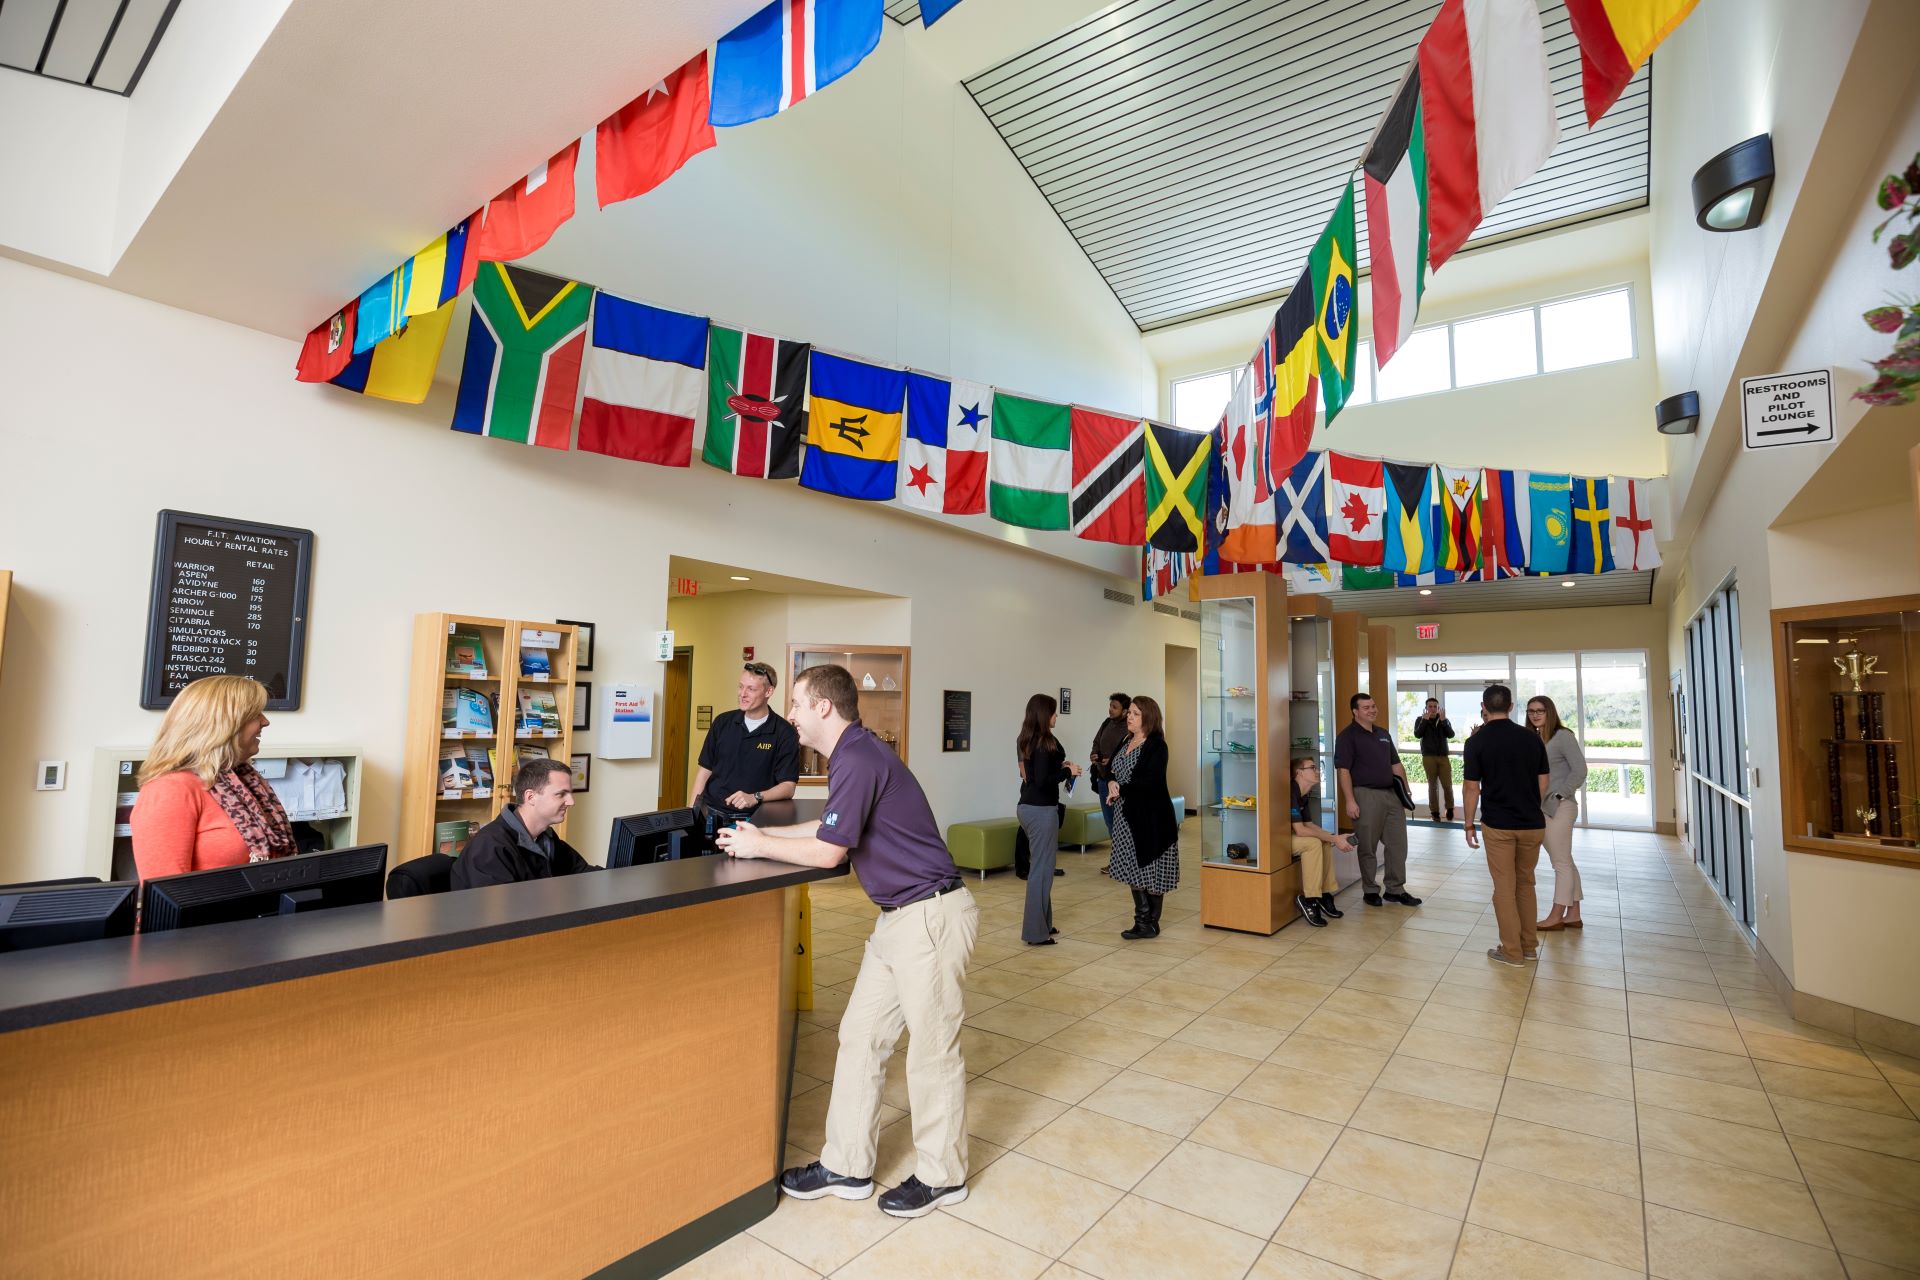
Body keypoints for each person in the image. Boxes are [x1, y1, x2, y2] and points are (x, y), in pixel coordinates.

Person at [717, 664, 976, 1219]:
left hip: (928, 919)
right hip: (898, 921)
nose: (790, 715)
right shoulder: (852, 756)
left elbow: (831, 852)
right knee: (860, 1037)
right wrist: (760, 835)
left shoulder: (856, 757)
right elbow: (830, 827)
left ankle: (943, 1175)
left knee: (932, 1053)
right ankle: (847, 1166)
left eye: (797, 704)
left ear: (824, 708)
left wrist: (760, 850)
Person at [131, 675, 297, 879]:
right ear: (224, 724)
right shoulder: (170, 789)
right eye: (255, 714)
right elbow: (165, 895)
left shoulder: (244, 780)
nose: (265, 721)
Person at [1461, 684, 1550, 967]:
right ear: (1512, 707)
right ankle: (1528, 946)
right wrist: (1532, 805)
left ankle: (1511, 952)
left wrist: (1468, 824)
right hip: (1532, 823)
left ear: (1484, 707)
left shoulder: (1476, 742)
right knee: (1526, 883)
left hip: (1498, 824)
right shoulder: (1531, 738)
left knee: (1504, 887)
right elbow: (1543, 781)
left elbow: (1472, 787)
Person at [689, 660, 800, 842]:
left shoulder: (784, 732)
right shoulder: (722, 723)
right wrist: (691, 814)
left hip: (754, 822)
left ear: (768, 691)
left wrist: (755, 797)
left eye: (751, 689)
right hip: (711, 816)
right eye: (740, 687)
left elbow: (788, 787)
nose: (742, 694)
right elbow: (704, 772)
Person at [450, 758, 597, 889]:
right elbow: (500, 912)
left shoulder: (546, 838)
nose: (571, 802)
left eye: (570, 794)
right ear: (531, 797)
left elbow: (584, 874)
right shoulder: (489, 847)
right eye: (560, 794)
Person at [1334, 693, 1422, 907]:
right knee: (1368, 846)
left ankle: (1395, 889)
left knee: (1398, 845)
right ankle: (1370, 889)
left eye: (1373, 706)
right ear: (1355, 711)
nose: (1372, 710)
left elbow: (1396, 765)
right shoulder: (1347, 736)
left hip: (1391, 795)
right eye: (1366, 708)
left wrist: (1406, 792)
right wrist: (1350, 801)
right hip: (1365, 795)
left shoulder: (1383, 734)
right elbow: (1343, 770)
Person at [1106, 694, 1180, 940]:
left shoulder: (1157, 745)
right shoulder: (1126, 739)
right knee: (1131, 869)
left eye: (1136, 714)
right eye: (1130, 713)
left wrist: (1121, 789)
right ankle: (1142, 920)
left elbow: (1149, 782)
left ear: (1148, 718)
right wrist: (1112, 783)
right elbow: (1110, 769)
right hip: (1126, 816)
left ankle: (1149, 922)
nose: (1130, 717)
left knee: (1150, 869)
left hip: (1151, 819)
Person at [1016, 693, 1082, 945]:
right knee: (1041, 872)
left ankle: (1043, 923)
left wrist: (1060, 767)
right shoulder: (1043, 743)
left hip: (1030, 807)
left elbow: (1035, 774)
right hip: (1041, 811)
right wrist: (1067, 770)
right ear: (1045, 715)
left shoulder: (1030, 739)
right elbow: (1043, 780)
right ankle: (1035, 933)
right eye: (1054, 713)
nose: (1057, 716)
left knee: (1042, 869)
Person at [1529, 695, 1589, 930]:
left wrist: (1560, 794)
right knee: (1566, 861)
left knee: (1560, 863)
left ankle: (1556, 915)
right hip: (1543, 807)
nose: (1535, 715)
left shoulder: (1562, 736)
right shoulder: (1534, 738)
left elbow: (1580, 770)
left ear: (1550, 712)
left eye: (1540, 711)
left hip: (1561, 807)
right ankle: (1573, 914)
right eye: (1531, 711)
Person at [1290, 756, 1354, 927]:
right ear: (1299, 773)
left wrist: (1334, 837)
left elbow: (1309, 825)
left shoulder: (1304, 793)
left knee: (1324, 840)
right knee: (1313, 843)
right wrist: (1335, 838)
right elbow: (1301, 830)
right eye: (1313, 768)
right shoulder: (1291, 791)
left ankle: (1324, 894)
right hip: (1276, 841)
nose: (1318, 771)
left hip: (1291, 836)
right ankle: (1310, 899)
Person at [1088, 693, 1132, 835]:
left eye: (1115, 707)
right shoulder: (1106, 723)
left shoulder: (1129, 728)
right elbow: (1096, 742)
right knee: (1109, 820)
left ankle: (1123, 852)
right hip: (1103, 779)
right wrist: (1094, 754)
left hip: (1121, 782)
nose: (1110, 709)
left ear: (1125, 711)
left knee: (1123, 821)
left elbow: (1130, 753)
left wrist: (1112, 761)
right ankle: (1116, 853)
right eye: (1110, 706)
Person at [1413, 698, 1456, 821]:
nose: (1432, 708)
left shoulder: (1443, 720)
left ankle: (1450, 808)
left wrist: (1443, 721)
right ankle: (1435, 812)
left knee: (1447, 785)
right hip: (1428, 757)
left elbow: (1451, 735)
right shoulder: (1420, 720)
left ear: (1438, 708)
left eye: (1435, 706)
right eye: (1430, 706)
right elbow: (1417, 734)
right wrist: (1425, 721)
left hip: (1443, 757)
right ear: (1426, 708)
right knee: (1432, 786)